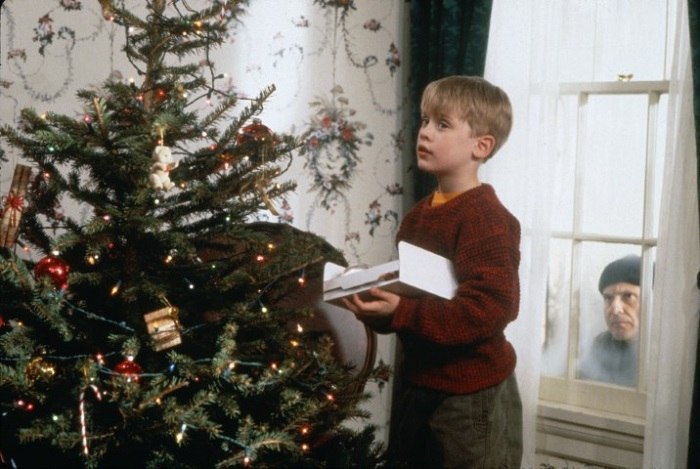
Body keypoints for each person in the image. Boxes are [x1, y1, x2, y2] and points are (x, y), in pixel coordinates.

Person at [343, 76, 522, 468]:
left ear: (481, 146)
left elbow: (490, 309)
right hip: (417, 388)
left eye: (443, 124)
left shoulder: (487, 218)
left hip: (470, 396)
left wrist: (402, 312)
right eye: (425, 121)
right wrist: (379, 309)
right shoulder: (417, 217)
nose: (425, 132)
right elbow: (416, 304)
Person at [578, 254, 642, 387]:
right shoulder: (602, 343)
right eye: (608, 298)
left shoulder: (665, 351)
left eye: (628, 296)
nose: (615, 309)